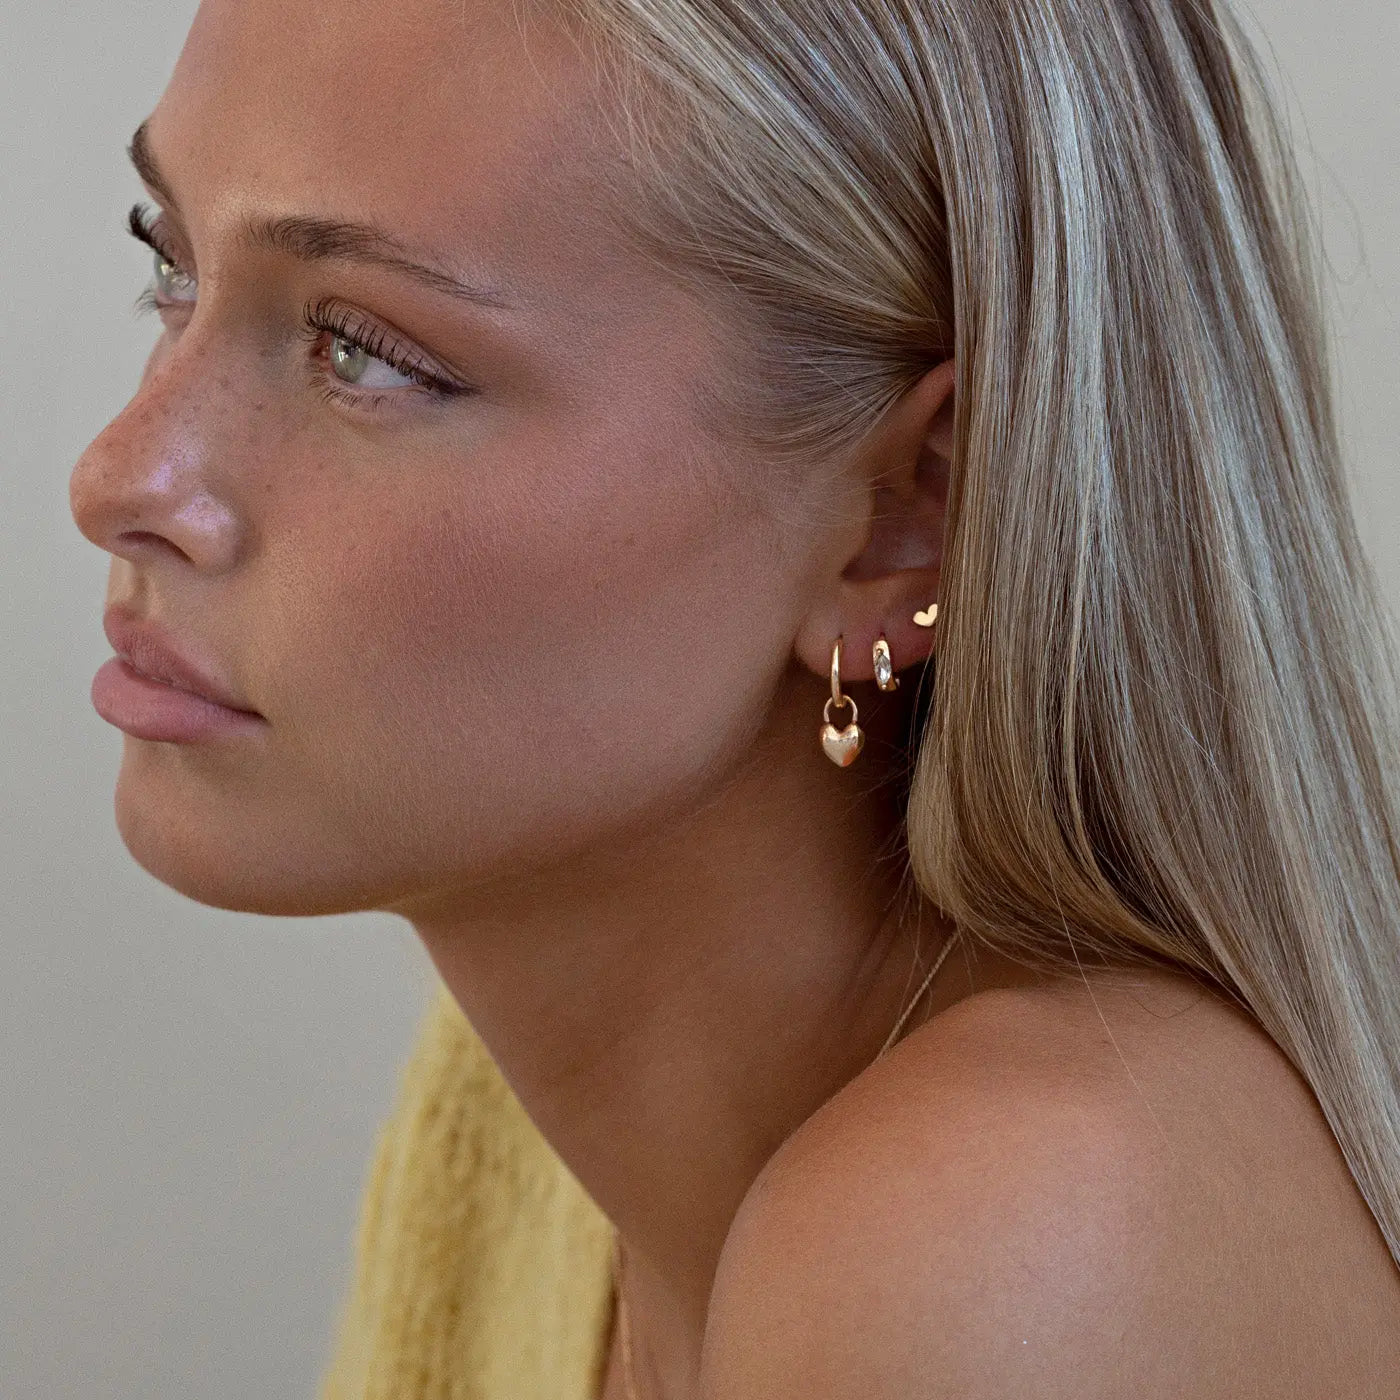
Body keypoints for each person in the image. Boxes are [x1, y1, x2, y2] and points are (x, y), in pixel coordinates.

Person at [68, 0, 1400, 1395]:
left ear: (908, 517)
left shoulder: (1015, 1245)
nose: (118, 478)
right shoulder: (521, 1133)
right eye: (173, 266)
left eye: (365, 352)